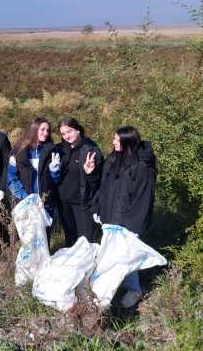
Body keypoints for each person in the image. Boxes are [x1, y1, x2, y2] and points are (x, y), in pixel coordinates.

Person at [93, 125, 157, 308]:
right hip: (110, 217)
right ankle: (113, 289)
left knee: (123, 258)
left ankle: (134, 290)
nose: (113, 142)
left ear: (128, 143)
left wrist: (133, 226)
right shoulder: (113, 159)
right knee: (114, 257)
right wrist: (99, 210)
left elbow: (144, 198)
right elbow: (104, 188)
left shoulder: (142, 166)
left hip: (128, 221)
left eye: (116, 140)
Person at [7, 117, 61, 242]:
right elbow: (11, 178)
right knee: (27, 236)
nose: (46, 133)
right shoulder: (18, 150)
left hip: (45, 201)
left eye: (48, 130)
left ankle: (44, 260)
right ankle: (27, 260)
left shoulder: (52, 151)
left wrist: (55, 171)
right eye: (42, 129)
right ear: (34, 129)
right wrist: (24, 197)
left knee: (44, 236)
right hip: (24, 200)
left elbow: (56, 181)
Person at [55, 117, 103, 246]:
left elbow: (98, 181)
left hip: (83, 201)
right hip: (64, 201)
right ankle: (72, 264)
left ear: (78, 130)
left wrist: (90, 173)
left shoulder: (91, 150)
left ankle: (88, 265)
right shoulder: (59, 149)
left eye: (69, 132)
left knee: (85, 240)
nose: (66, 136)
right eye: (63, 134)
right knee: (70, 237)